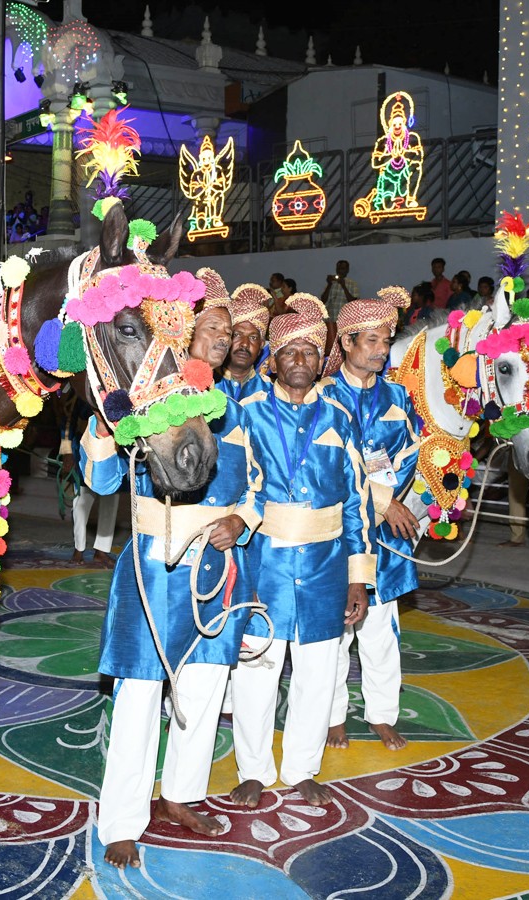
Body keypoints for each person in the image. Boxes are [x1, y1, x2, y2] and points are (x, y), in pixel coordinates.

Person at [85, 272, 261, 869]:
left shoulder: (238, 409)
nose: (223, 336)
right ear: (183, 332)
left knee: (207, 687)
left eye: (229, 329)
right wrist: (102, 430)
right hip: (154, 572)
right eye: (212, 325)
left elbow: (257, 486)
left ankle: (182, 794)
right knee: (140, 696)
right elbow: (105, 482)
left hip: (218, 570)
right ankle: (123, 819)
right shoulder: (146, 400)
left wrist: (241, 523)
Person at [231, 294, 375, 809]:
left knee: (318, 671)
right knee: (256, 671)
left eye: (310, 352)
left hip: (325, 569)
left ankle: (301, 768)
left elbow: (358, 503)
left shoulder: (340, 416)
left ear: (322, 361)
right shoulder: (243, 414)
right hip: (261, 565)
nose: (300, 360)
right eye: (289, 351)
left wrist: (359, 577)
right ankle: (253, 770)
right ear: (272, 359)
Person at [320, 287, 421, 751]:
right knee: (336, 631)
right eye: (372, 341)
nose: (382, 351)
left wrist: (385, 502)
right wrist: (383, 502)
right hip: (336, 534)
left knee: (382, 631)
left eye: (386, 341)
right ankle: (332, 715)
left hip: (385, 540)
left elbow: (408, 456)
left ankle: (381, 714)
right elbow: (326, 468)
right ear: (346, 342)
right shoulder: (320, 396)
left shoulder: (398, 396)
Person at [61, 396, 118, 568]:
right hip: (85, 452)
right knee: (81, 503)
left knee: (111, 501)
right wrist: (67, 452)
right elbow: (67, 423)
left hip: (113, 450)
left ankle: (102, 551)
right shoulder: (81, 395)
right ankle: (79, 548)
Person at [221, 283, 271, 402]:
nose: (244, 344)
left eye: (253, 337)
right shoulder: (205, 384)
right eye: (237, 335)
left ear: (261, 345)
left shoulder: (269, 392)